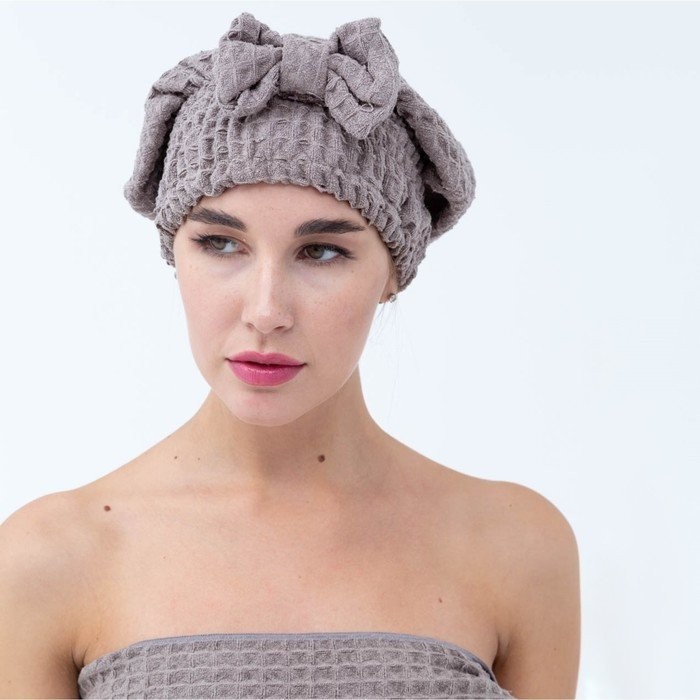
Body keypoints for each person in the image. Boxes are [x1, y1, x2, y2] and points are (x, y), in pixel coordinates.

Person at [0, 11, 580, 699]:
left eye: (322, 251)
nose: (266, 310)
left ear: (393, 271)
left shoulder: (518, 549)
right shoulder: (48, 559)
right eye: (220, 244)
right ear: (174, 252)